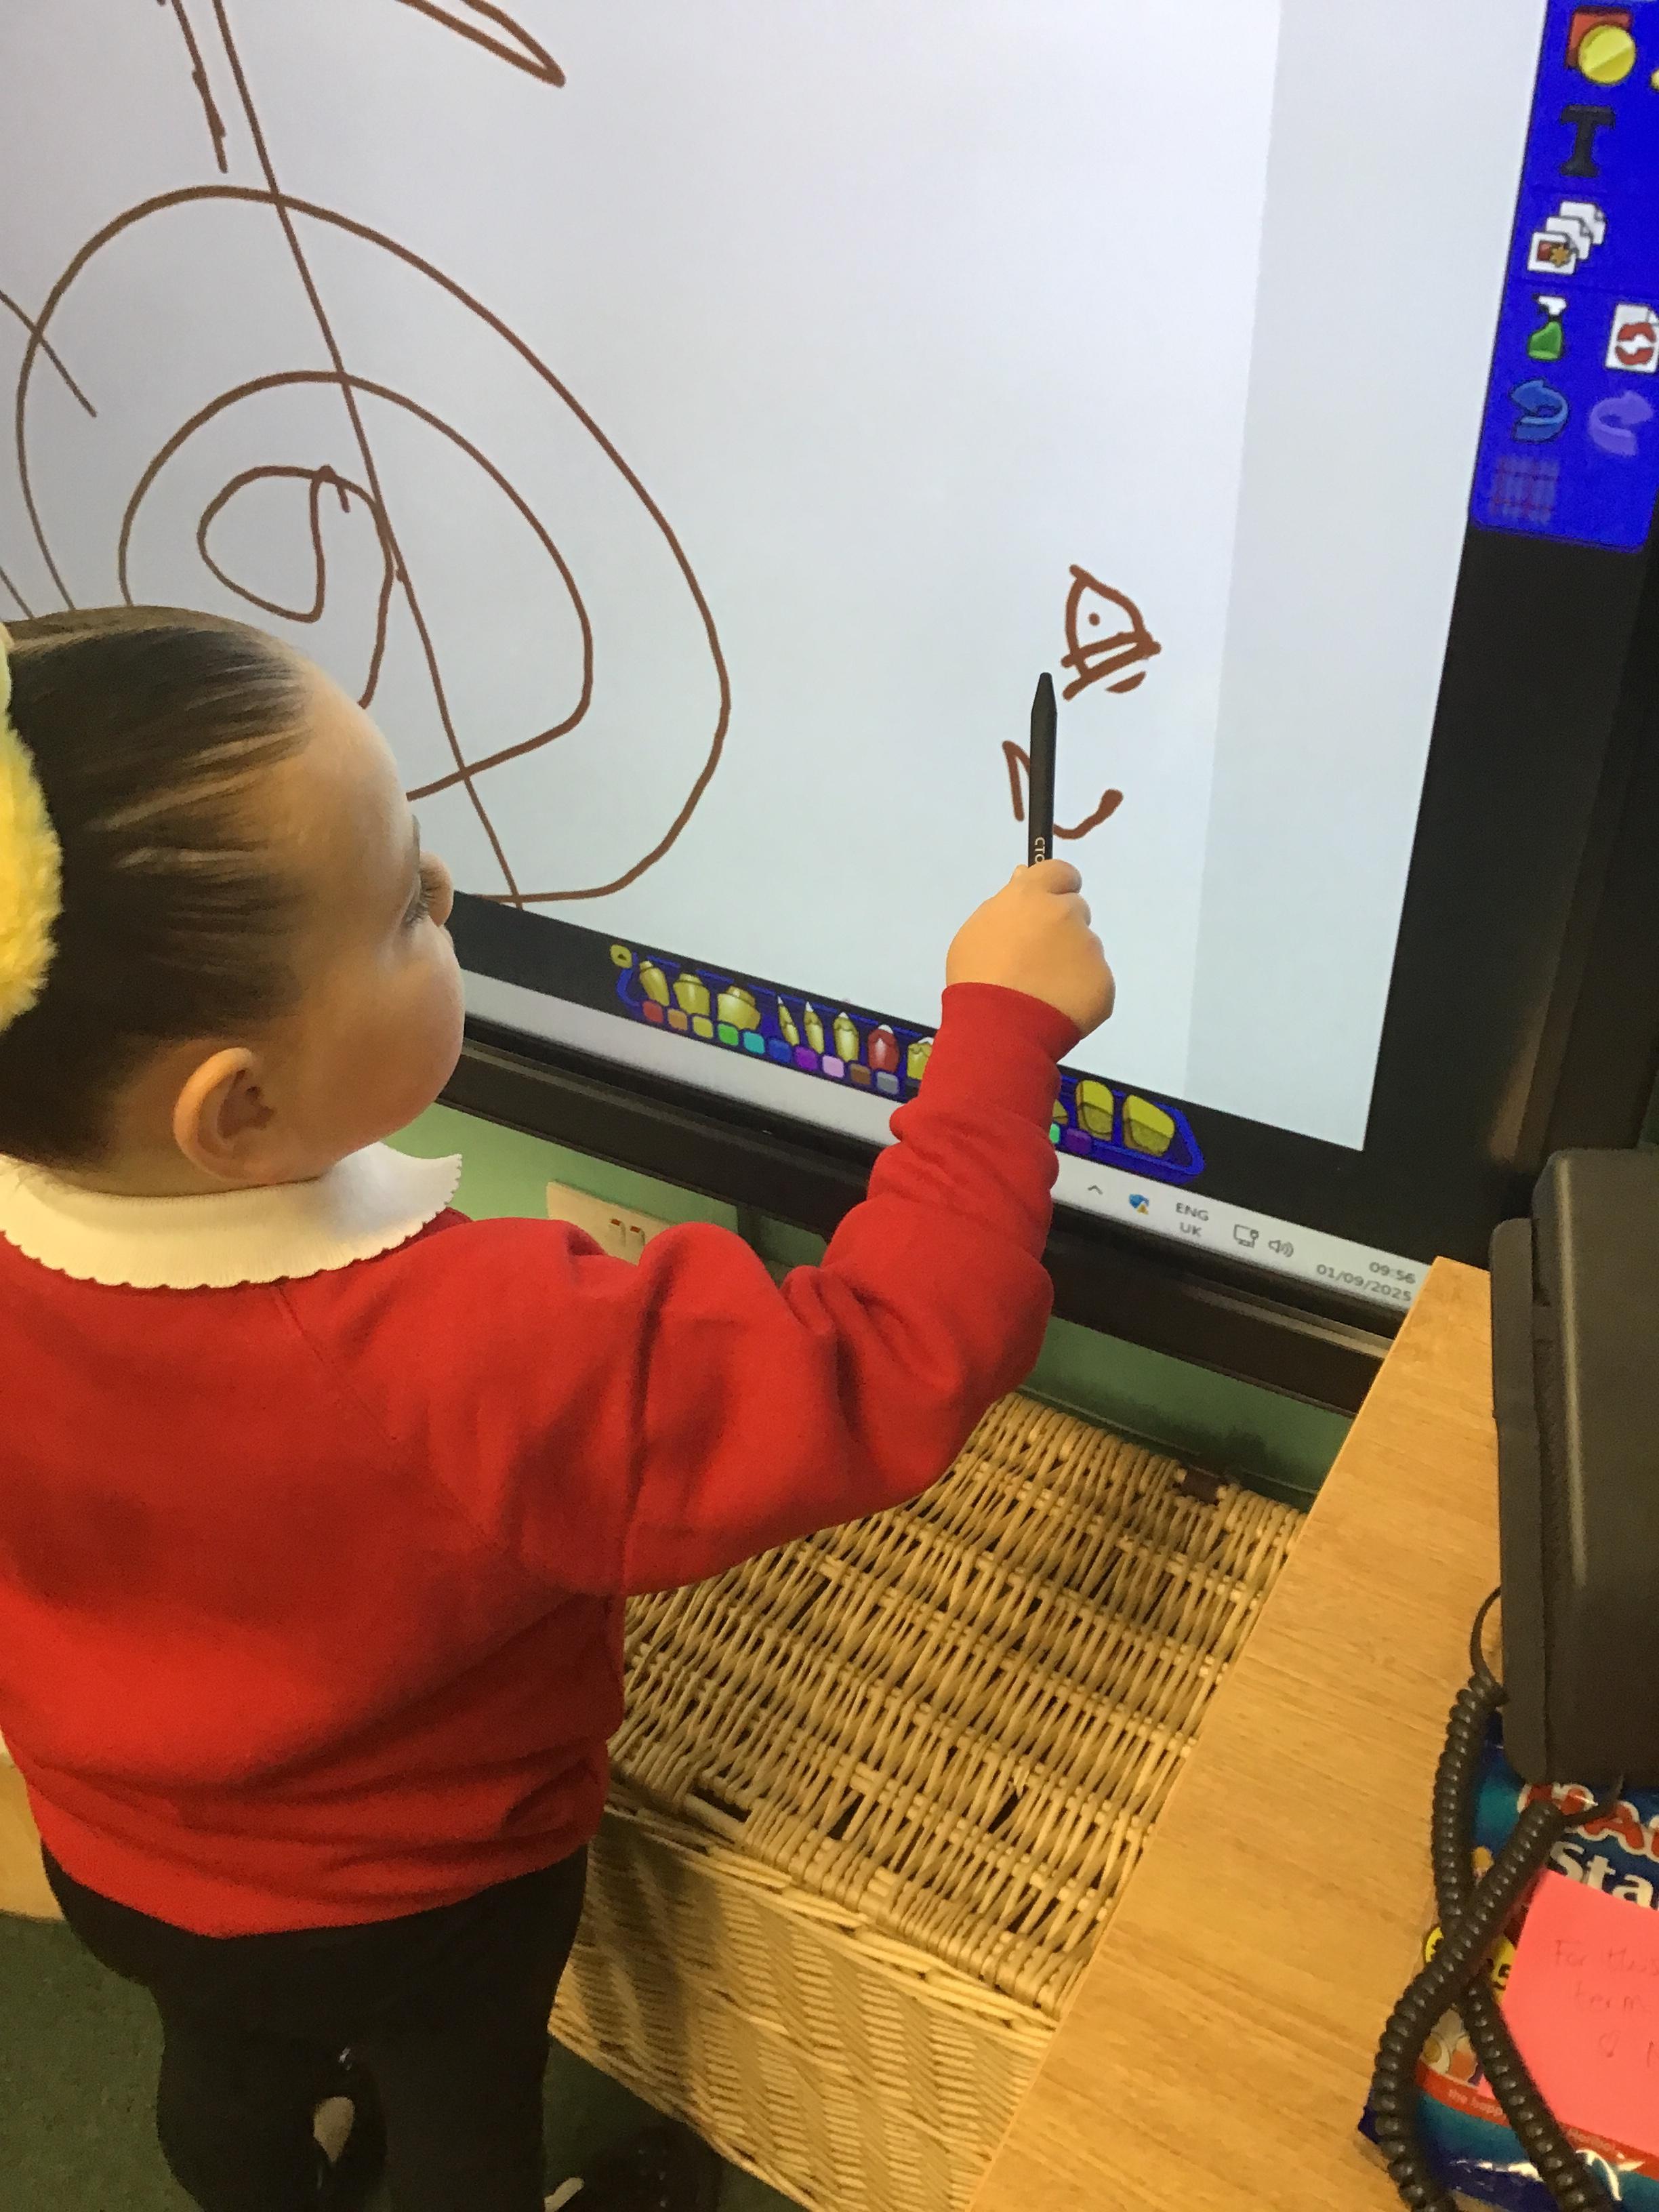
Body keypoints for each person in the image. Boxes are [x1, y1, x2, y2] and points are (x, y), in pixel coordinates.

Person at [0, 606, 1115, 2212]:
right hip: (423, 1893)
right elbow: (884, 1355)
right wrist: (1004, 1037)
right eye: (406, 905)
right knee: (464, 2109)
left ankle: (254, 2180)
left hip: (117, 1858)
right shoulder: (479, 1346)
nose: (449, 894)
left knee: (223, 2064)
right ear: (237, 1112)